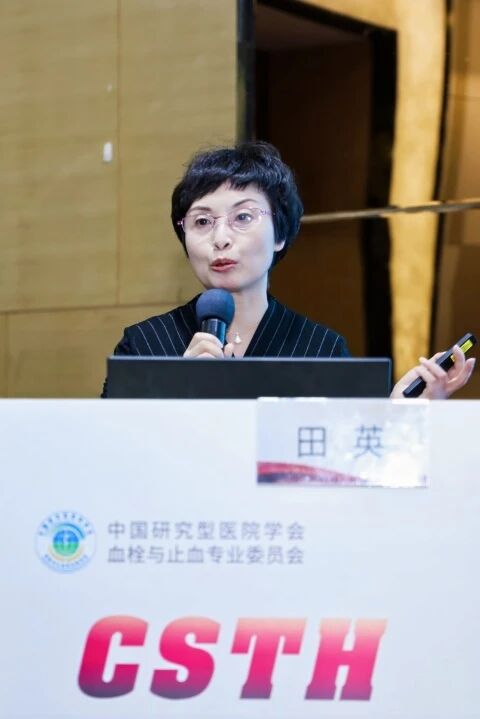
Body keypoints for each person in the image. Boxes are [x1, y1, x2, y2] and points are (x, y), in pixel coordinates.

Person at [103, 141, 475, 398]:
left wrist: (396, 418)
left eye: (242, 217)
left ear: (280, 233)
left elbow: (345, 467)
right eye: (202, 222)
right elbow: (107, 457)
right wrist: (174, 390)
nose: (220, 238)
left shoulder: (321, 350)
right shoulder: (143, 346)